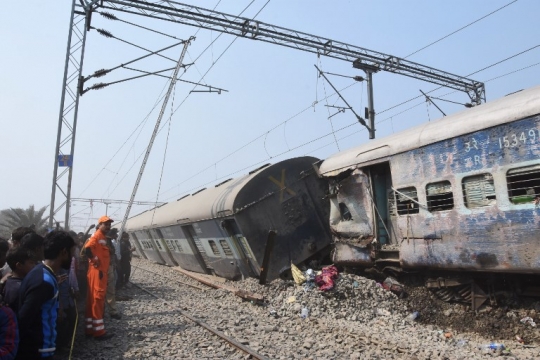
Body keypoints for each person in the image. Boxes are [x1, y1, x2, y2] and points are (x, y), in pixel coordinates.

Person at [16, 230, 75, 359]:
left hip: (41, 348)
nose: (73, 256)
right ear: (63, 252)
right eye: (72, 252)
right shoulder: (43, 281)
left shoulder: (43, 273)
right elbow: (24, 319)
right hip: (38, 350)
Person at [84, 216, 114, 340]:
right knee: (98, 299)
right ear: (100, 224)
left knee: (92, 300)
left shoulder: (101, 237)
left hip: (97, 272)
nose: (108, 227)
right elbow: (87, 249)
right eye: (105, 224)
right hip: (98, 273)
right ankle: (99, 332)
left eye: (109, 225)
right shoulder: (97, 236)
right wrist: (94, 260)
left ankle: (90, 329)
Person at [2, 247, 36, 313]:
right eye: (31, 263)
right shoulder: (18, 288)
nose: (34, 266)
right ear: (19, 265)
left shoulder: (10, 281)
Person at [104, 228, 121, 319]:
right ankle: (108, 311)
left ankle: (112, 311)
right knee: (106, 291)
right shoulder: (101, 241)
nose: (117, 236)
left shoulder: (109, 241)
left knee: (110, 290)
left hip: (109, 267)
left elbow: (112, 254)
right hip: (103, 269)